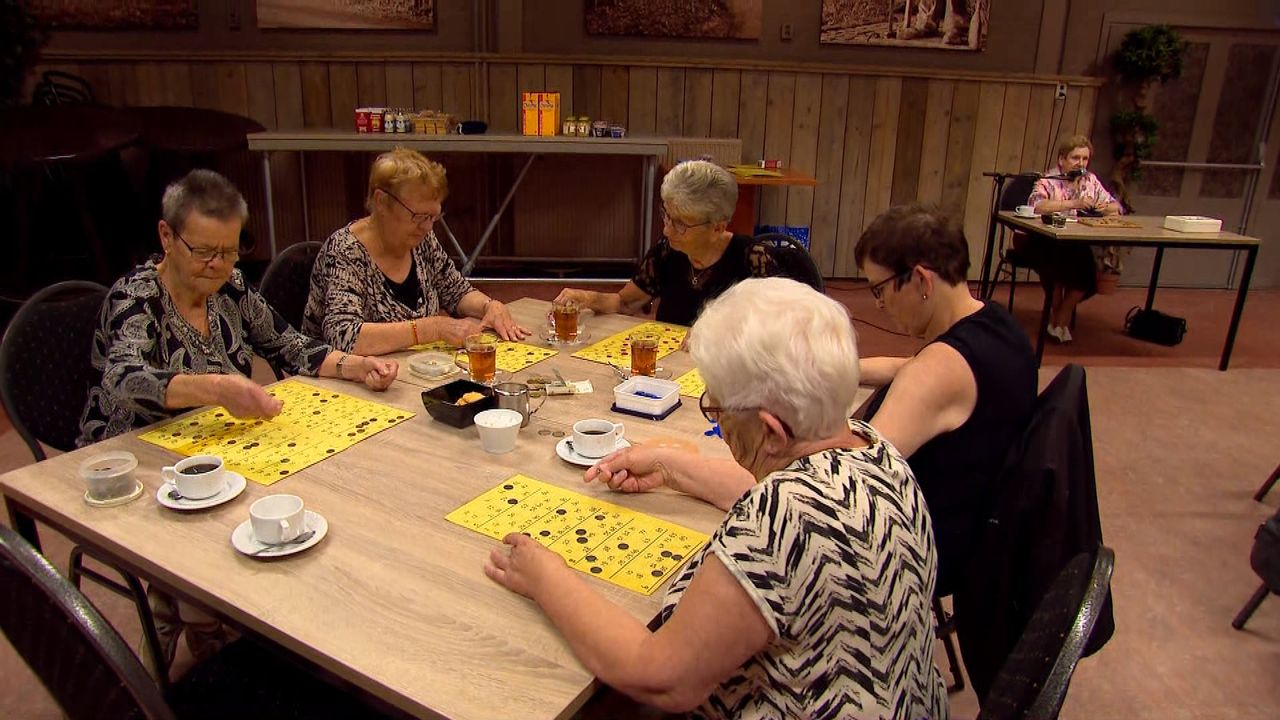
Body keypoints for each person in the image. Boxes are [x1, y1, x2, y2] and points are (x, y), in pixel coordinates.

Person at [486, 278, 947, 719]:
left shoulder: (784, 516)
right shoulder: (873, 450)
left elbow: (660, 676)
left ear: (769, 430)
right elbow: (792, 503)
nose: (717, 422)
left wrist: (546, 578)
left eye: (718, 409)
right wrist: (671, 466)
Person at [76, 169, 399, 672]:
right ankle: (198, 637)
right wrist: (217, 389)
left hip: (218, 450)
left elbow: (288, 344)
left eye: (228, 252)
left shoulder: (231, 287)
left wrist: (354, 366)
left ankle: (209, 625)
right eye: (203, 251)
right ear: (166, 236)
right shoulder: (134, 297)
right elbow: (123, 377)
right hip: (138, 462)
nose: (216, 266)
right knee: (225, 561)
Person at [854, 203, 1037, 595]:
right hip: (980, 526)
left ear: (920, 279)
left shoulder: (938, 372)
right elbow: (909, 365)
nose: (879, 306)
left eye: (879, 290)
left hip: (928, 548)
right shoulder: (994, 324)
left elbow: (849, 480)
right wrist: (838, 368)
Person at [302, 147, 528, 353]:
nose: (428, 227)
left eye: (433, 217)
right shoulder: (345, 251)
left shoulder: (421, 239)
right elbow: (344, 336)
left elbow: (455, 291)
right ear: (381, 201)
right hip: (345, 382)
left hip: (410, 372)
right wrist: (432, 329)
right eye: (419, 216)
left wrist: (490, 306)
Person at [554, 160, 776, 328]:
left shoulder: (753, 260)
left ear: (717, 227)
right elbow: (625, 303)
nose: (666, 229)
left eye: (681, 225)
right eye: (667, 216)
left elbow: (774, 331)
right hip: (671, 366)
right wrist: (589, 298)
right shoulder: (668, 250)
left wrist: (714, 336)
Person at [1028, 135, 1124, 343]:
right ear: (1062, 159)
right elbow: (1037, 205)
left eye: (1085, 159)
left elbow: (1117, 207)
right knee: (1053, 272)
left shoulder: (1090, 180)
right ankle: (1059, 323)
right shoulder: (1049, 180)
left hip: (1075, 241)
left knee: (1086, 277)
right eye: (1075, 158)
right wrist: (1073, 204)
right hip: (1047, 240)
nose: (1081, 163)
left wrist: (1104, 207)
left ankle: (1059, 319)